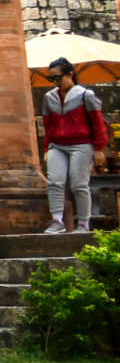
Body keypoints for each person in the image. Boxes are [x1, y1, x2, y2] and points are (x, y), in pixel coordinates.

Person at [41, 58, 108, 233]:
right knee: (54, 181)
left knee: (79, 184)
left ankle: (84, 223)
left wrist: (99, 148)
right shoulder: (49, 97)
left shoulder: (85, 95)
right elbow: (48, 125)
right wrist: (47, 147)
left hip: (81, 144)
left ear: (70, 74)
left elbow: (98, 124)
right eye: (51, 79)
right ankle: (57, 220)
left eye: (58, 78)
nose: (55, 82)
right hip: (57, 144)